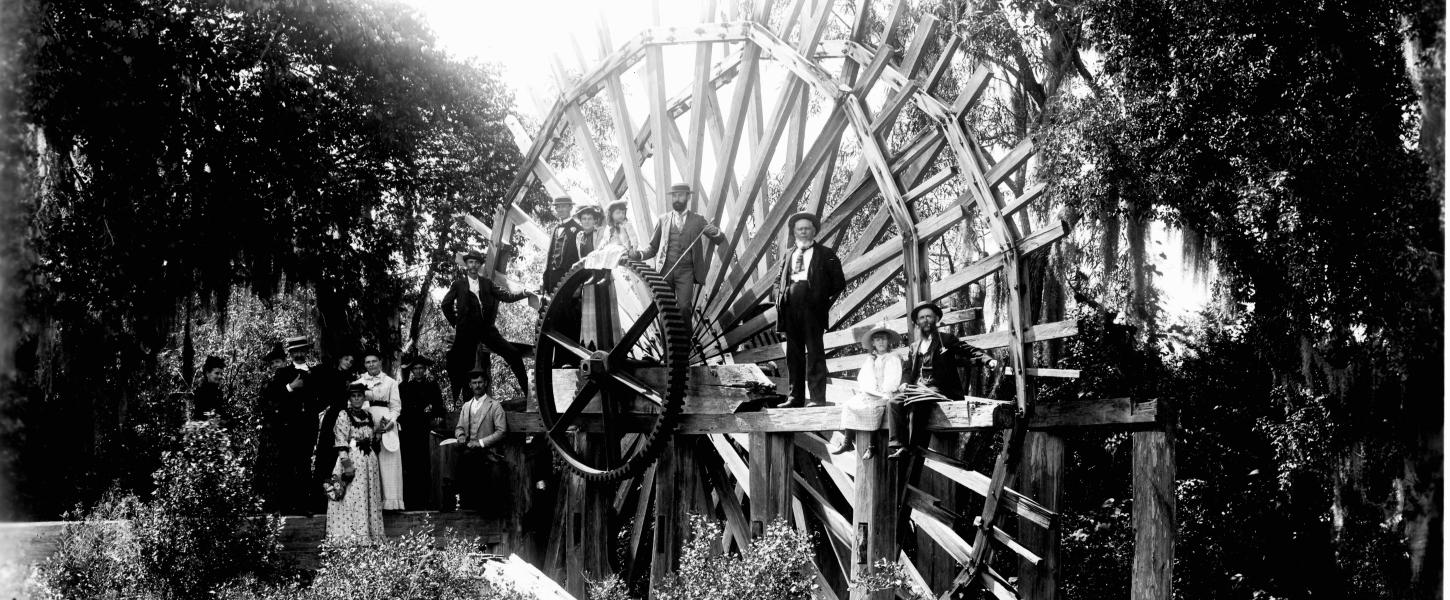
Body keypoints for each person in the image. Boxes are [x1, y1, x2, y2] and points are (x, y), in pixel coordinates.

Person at [887, 302, 993, 459]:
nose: (925, 320)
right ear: (917, 322)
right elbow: (908, 370)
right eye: (922, 317)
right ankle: (896, 444)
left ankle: (909, 448)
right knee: (893, 403)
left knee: (917, 404)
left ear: (935, 319)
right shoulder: (914, 347)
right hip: (918, 387)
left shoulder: (946, 339)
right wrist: (904, 382)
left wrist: (987, 359)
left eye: (929, 316)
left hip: (940, 388)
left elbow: (967, 349)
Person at [442, 247, 537, 398]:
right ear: (466, 265)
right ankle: (463, 406)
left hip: (486, 330)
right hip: (466, 331)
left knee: (512, 353)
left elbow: (505, 296)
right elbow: (445, 305)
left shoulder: (487, 283)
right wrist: (457, 324)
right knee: (462, 366)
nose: (473, 265)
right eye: (470, 262)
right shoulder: (459, 284)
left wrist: (523, 293)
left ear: (479, 265)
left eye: (476, 263)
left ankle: (530, 395)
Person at [631, 183, 726, 334]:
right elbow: (653, 248)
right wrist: (639, 255)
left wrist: (715, 232)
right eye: (674, 196)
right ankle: (667, 352)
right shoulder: (663, 219)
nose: (677, 198)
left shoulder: (698, 220)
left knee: (683, 308)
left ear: (688, 197)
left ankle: (685, 349)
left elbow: (719, 239)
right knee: (665, 311)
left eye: (680, 195)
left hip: (686, 272)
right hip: (665, 270)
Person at [773, 212, 845, 408]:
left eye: (807, 229)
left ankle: (816, 399)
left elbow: (839, 282)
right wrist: (779, 298)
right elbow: (778, 280)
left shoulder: (826, 254)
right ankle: (794, 398)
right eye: (799, 229)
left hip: (812, 310)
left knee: (814, 353)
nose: (803, 232)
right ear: (794, 232)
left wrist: (817, 296)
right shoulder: (788, 254)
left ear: (813, 231)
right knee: (793, 355)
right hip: (790, 309)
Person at [256, 336, 316, 515]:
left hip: (308, 427)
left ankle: (304, 506)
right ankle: (285, 507)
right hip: (288, 428)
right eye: (295, 351)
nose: (298, 354)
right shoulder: (282, 373)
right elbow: (272, 398)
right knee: (287, 466)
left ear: (306, 351)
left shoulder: (314, 373)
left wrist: (314, 417)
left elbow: (320, 398)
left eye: (301, 350)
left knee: (305, 466)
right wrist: (290, 387)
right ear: (290, 354)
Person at [826, 323, 902, 459]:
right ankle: (847, 441)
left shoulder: (892, 358)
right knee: (850, 404)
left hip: (887, 392)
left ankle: (872, 446)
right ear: (873, 343)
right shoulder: (870, 359)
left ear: (888, 341)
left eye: (884, 339)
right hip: (873, 392)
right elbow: (864, 378)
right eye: (878, 339)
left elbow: (893, 379)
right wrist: (870, 389)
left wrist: (884, 390)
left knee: (873, 408)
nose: (881, 342)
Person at [325, 382, 385, 544]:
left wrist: (379, 432)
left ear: (364, 397)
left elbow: (371, 439)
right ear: (349, 398)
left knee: (368, 496)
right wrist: (346, 463)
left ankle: (369, 536)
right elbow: (341, 440)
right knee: (352, 497)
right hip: (352, 459)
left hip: (369, 462)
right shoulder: (344, 415)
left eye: (360, 395)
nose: (357, 399)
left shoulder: (368, 415)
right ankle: (351, 538)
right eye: (354, 396)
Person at [454, 369, 507, 513]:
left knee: (486, 491)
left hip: (488, 453)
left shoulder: (495, 406)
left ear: (485, 384)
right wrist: (461, 437)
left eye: (480, 382)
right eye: (474, 383)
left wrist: (481, 442)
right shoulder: (466, 406)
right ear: (470, 385)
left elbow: (501, 431)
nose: (477, 386)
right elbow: (459, 428)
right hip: (469, 452)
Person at [310, 352, 358, 510]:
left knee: (342, 456)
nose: (349, 362)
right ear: (339, 358)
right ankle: (320, 500)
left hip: (347, 419)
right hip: (332, 418)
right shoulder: (330, 374)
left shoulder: (352, 378)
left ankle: (341, 499)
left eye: (351, 360)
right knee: (325, 456)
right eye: (346, 358)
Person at [356, 353, 403, 510]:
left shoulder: (390, 382)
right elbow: (355, 405)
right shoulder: (359, 382)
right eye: (368, 362)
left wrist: (390, 422)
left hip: (386, 422)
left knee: (388, 461)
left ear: (380, 362)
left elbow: (396, 407)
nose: (371, 365)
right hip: (366, 423)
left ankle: (391, 503)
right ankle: (370, 504)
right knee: (367, 460)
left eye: (374, 361)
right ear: (364, 364)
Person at [399, 355, 447, 509]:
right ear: (412, 370)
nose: (418, 371)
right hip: (409, 431)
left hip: (425, 429)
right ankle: (410, 501)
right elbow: (400, 410)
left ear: (425, 369)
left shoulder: (432, 385)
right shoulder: (405, 387)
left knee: (425, 464)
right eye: (415, 368)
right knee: (410, 464)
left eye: (421, 368)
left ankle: (426, 501)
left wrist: (436, 416)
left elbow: (439, 407)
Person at [542, 195, 581, 293]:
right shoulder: (555, 228)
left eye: (563, 206)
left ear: (570, 207)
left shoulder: (578, 230)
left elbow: (581, 258)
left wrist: (578, 285)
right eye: (557, 207)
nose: (560, 209)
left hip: (568, 281)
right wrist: (543, 279)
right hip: (551, 281)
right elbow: (549, 255)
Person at [191, 355, 226, 421]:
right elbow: (199, 417)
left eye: (221, 374)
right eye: (216, 373)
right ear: (207, 373)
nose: (220, 376)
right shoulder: (200, 392)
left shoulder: (219, 392)